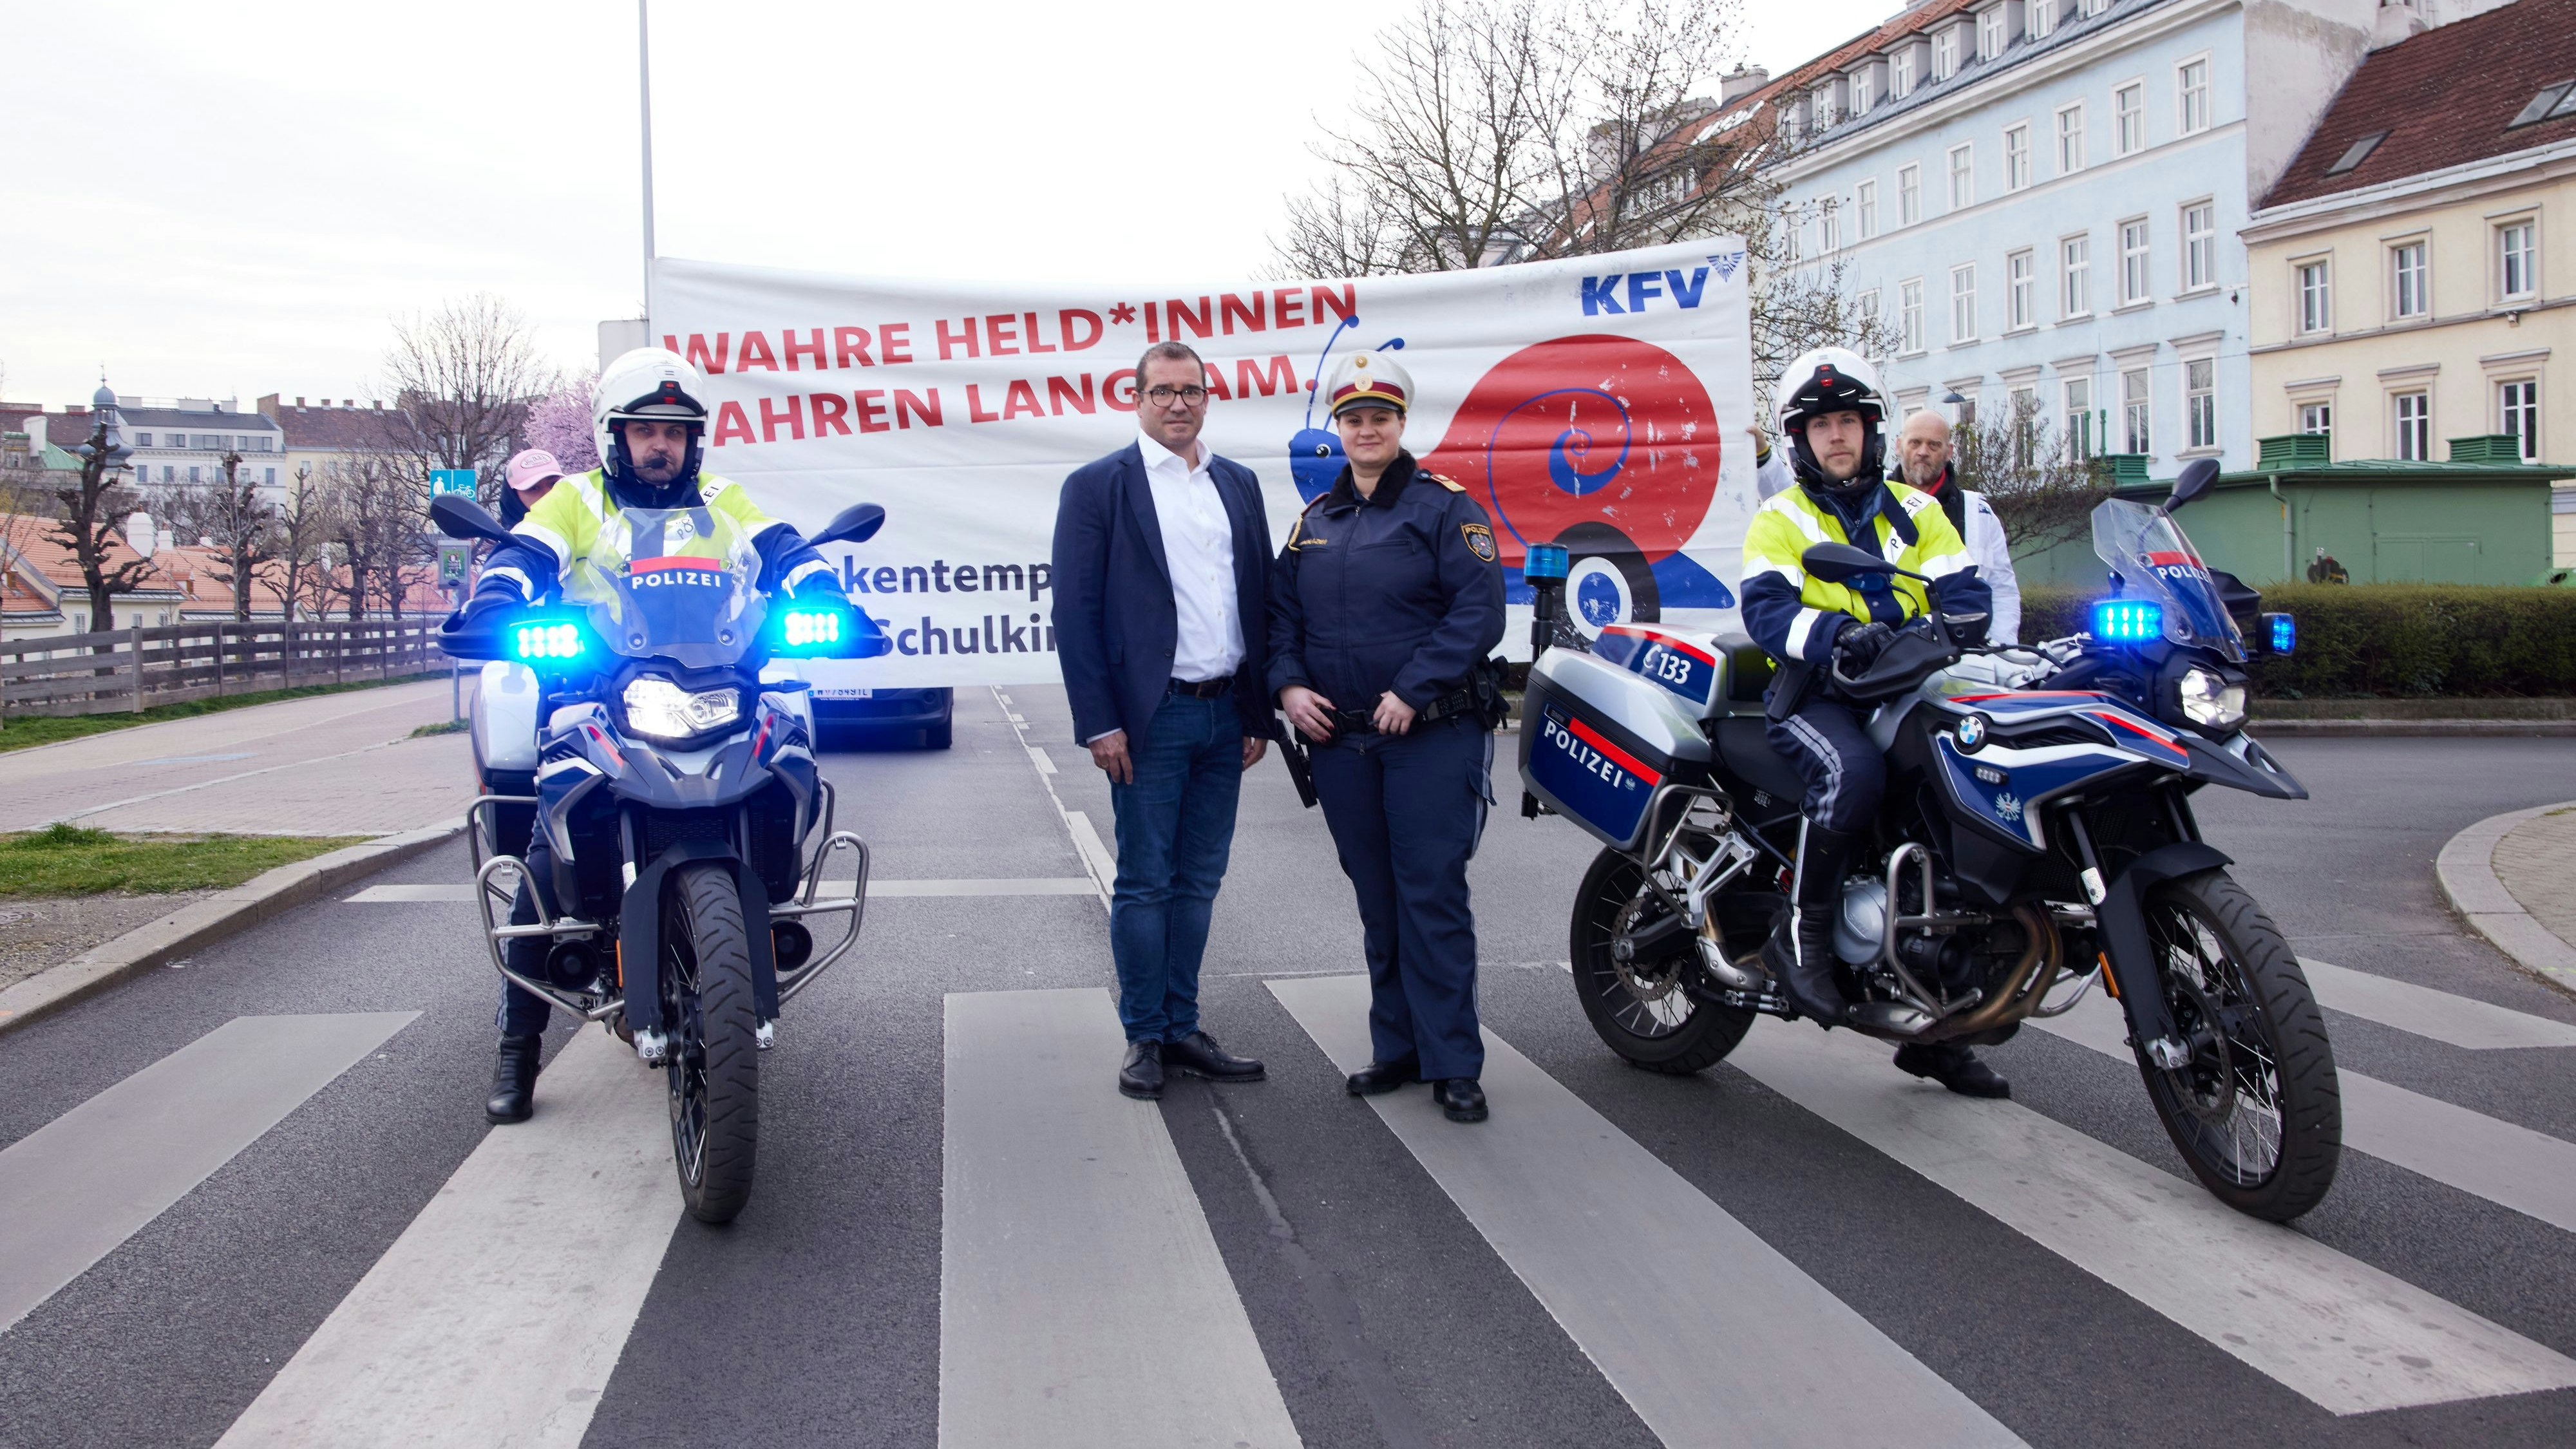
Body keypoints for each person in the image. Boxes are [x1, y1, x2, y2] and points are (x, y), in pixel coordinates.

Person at [460, 346, 852, 1122]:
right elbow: (525, 554)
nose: (661, 445)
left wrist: (820, 589)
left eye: (675, 430)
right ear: (615, 434)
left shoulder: (720, 498)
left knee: (788, 758)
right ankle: (518, 1048)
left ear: (694, 438)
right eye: (646, 430)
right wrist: (499, 596)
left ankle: (758, 920)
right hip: (597, 695)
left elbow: (780, 547)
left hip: (715, 684)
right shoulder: (574, 501)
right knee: (542, 865)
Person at [1738, 348, 2007, 1099]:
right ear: (1800, 440)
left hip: (1913, 690)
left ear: (1869, 431)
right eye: (1820, 424)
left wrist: (1962, 617)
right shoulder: (1782, 516)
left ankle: (1945, 1023)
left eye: (1847, 421)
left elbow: (1964, 590)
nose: (1835, 436)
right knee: (1853, 779)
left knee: (1961, 800)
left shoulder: (1919, 511)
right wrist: (1832, 638)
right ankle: (1804, 938)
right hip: (1818, 696)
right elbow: (1766, 611)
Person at [1270, 349, 1506, 1124]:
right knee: (1378, 897)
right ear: (1337, 429)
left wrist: (1414, 688)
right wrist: (1289, 684)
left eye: (1380, 417)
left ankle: (1453, 1061)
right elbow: (1282, 621)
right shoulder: (1315, 523)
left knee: (1430, 893)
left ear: (1402, 425)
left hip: (1427, 735)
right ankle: (1397, 1048)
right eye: (1352, 419)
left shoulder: (1444, 508)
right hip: (1341, 741)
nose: (1365, 429)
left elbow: (1477, 613)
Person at [1051, 341, 1276, 1101]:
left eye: (1191, 390)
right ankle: (1145, 1034)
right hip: (1150, 721)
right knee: (1146, 883)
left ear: (1208, 398)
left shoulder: (1238, 486)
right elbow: (1076, 616)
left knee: (1200, 882)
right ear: (1136, 398)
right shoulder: (1097, 488)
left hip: (1225, 716)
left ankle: (1182, 1024)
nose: (1178, 403)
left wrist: (1258, 711)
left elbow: (1257, 602)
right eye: (1163, 391)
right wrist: (1098, 722)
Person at [1891, 410, 2021, 646]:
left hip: (1968, 653)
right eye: (1915, 442)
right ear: (1898, 446)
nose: (1923, 452)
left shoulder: (1977, 513)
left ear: (1949, 452)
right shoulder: (1872, 506)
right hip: (1893, 654)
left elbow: (2002, 590)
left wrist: (2001, 649)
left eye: (1933, 445)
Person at [497, 448, 565, 527]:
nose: (548, 493)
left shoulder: (578, 528)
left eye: (553, 484)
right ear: (514, 497)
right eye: (534, 488)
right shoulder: (513, 538)